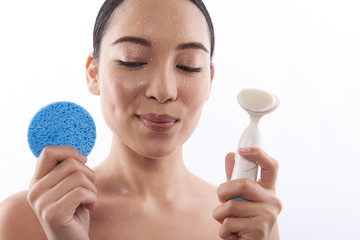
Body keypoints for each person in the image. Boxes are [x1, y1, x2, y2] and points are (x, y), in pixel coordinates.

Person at [0, 0, 282, 239]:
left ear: (208, 80)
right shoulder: (26, 220)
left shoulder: (244, 220)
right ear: (93, 73)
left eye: (188, 65)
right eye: (132, 61)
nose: (164, 91)